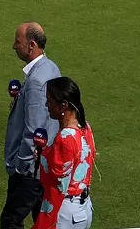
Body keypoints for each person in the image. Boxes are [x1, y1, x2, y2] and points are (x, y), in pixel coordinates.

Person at [3, 22, 61, 229]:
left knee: (11, 221)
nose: (14, 46)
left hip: (30, 171)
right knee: (42, 220)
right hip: (44, 165)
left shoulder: (36, 80)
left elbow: (34, 129)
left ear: (31, 45)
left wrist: (20, 166)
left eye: (18, 42)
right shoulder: (51, 67)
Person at [34, 77, 95, 229]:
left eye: (50, 100)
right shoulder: (85, 128)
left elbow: (58, 187)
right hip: (83, 208)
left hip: (65, 213)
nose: (47, 105)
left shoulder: (65, 138)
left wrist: (44, 222)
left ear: (63, 105)